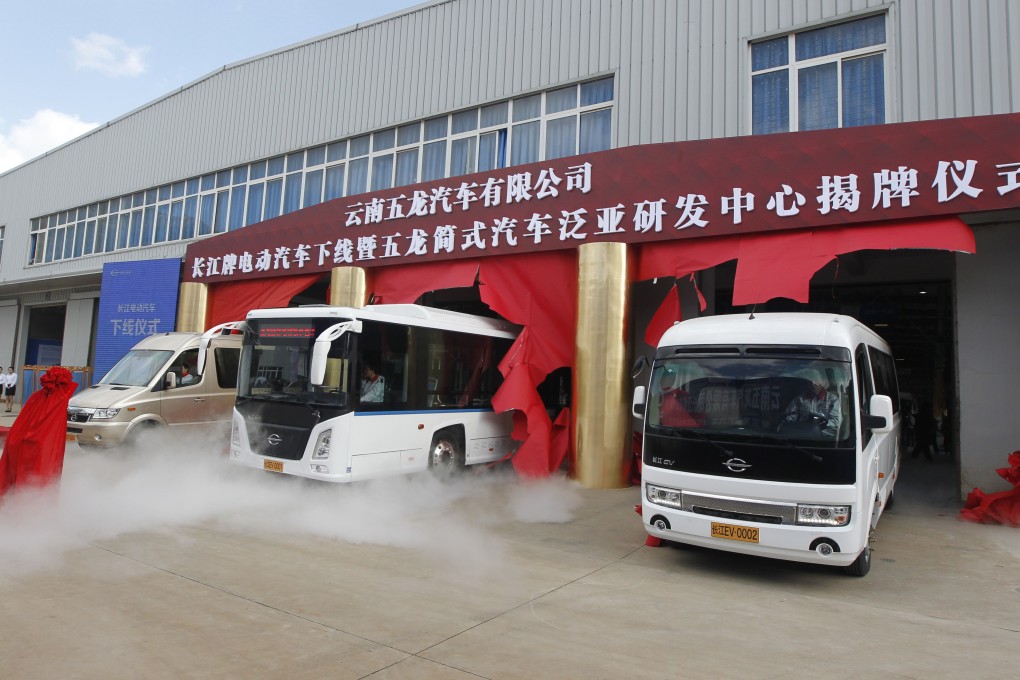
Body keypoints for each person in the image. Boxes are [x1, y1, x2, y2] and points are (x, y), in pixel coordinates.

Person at [784, 369, 841, 437]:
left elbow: (837, 421)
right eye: (810, 381)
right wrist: (801, 423)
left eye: (816, 380)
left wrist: (820, 424)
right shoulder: (799, 399)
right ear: (807, 384)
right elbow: (789, 417)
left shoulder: (832, 400)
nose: (813, 383)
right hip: (801, 435)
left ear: (823, 383)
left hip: (825, 437)